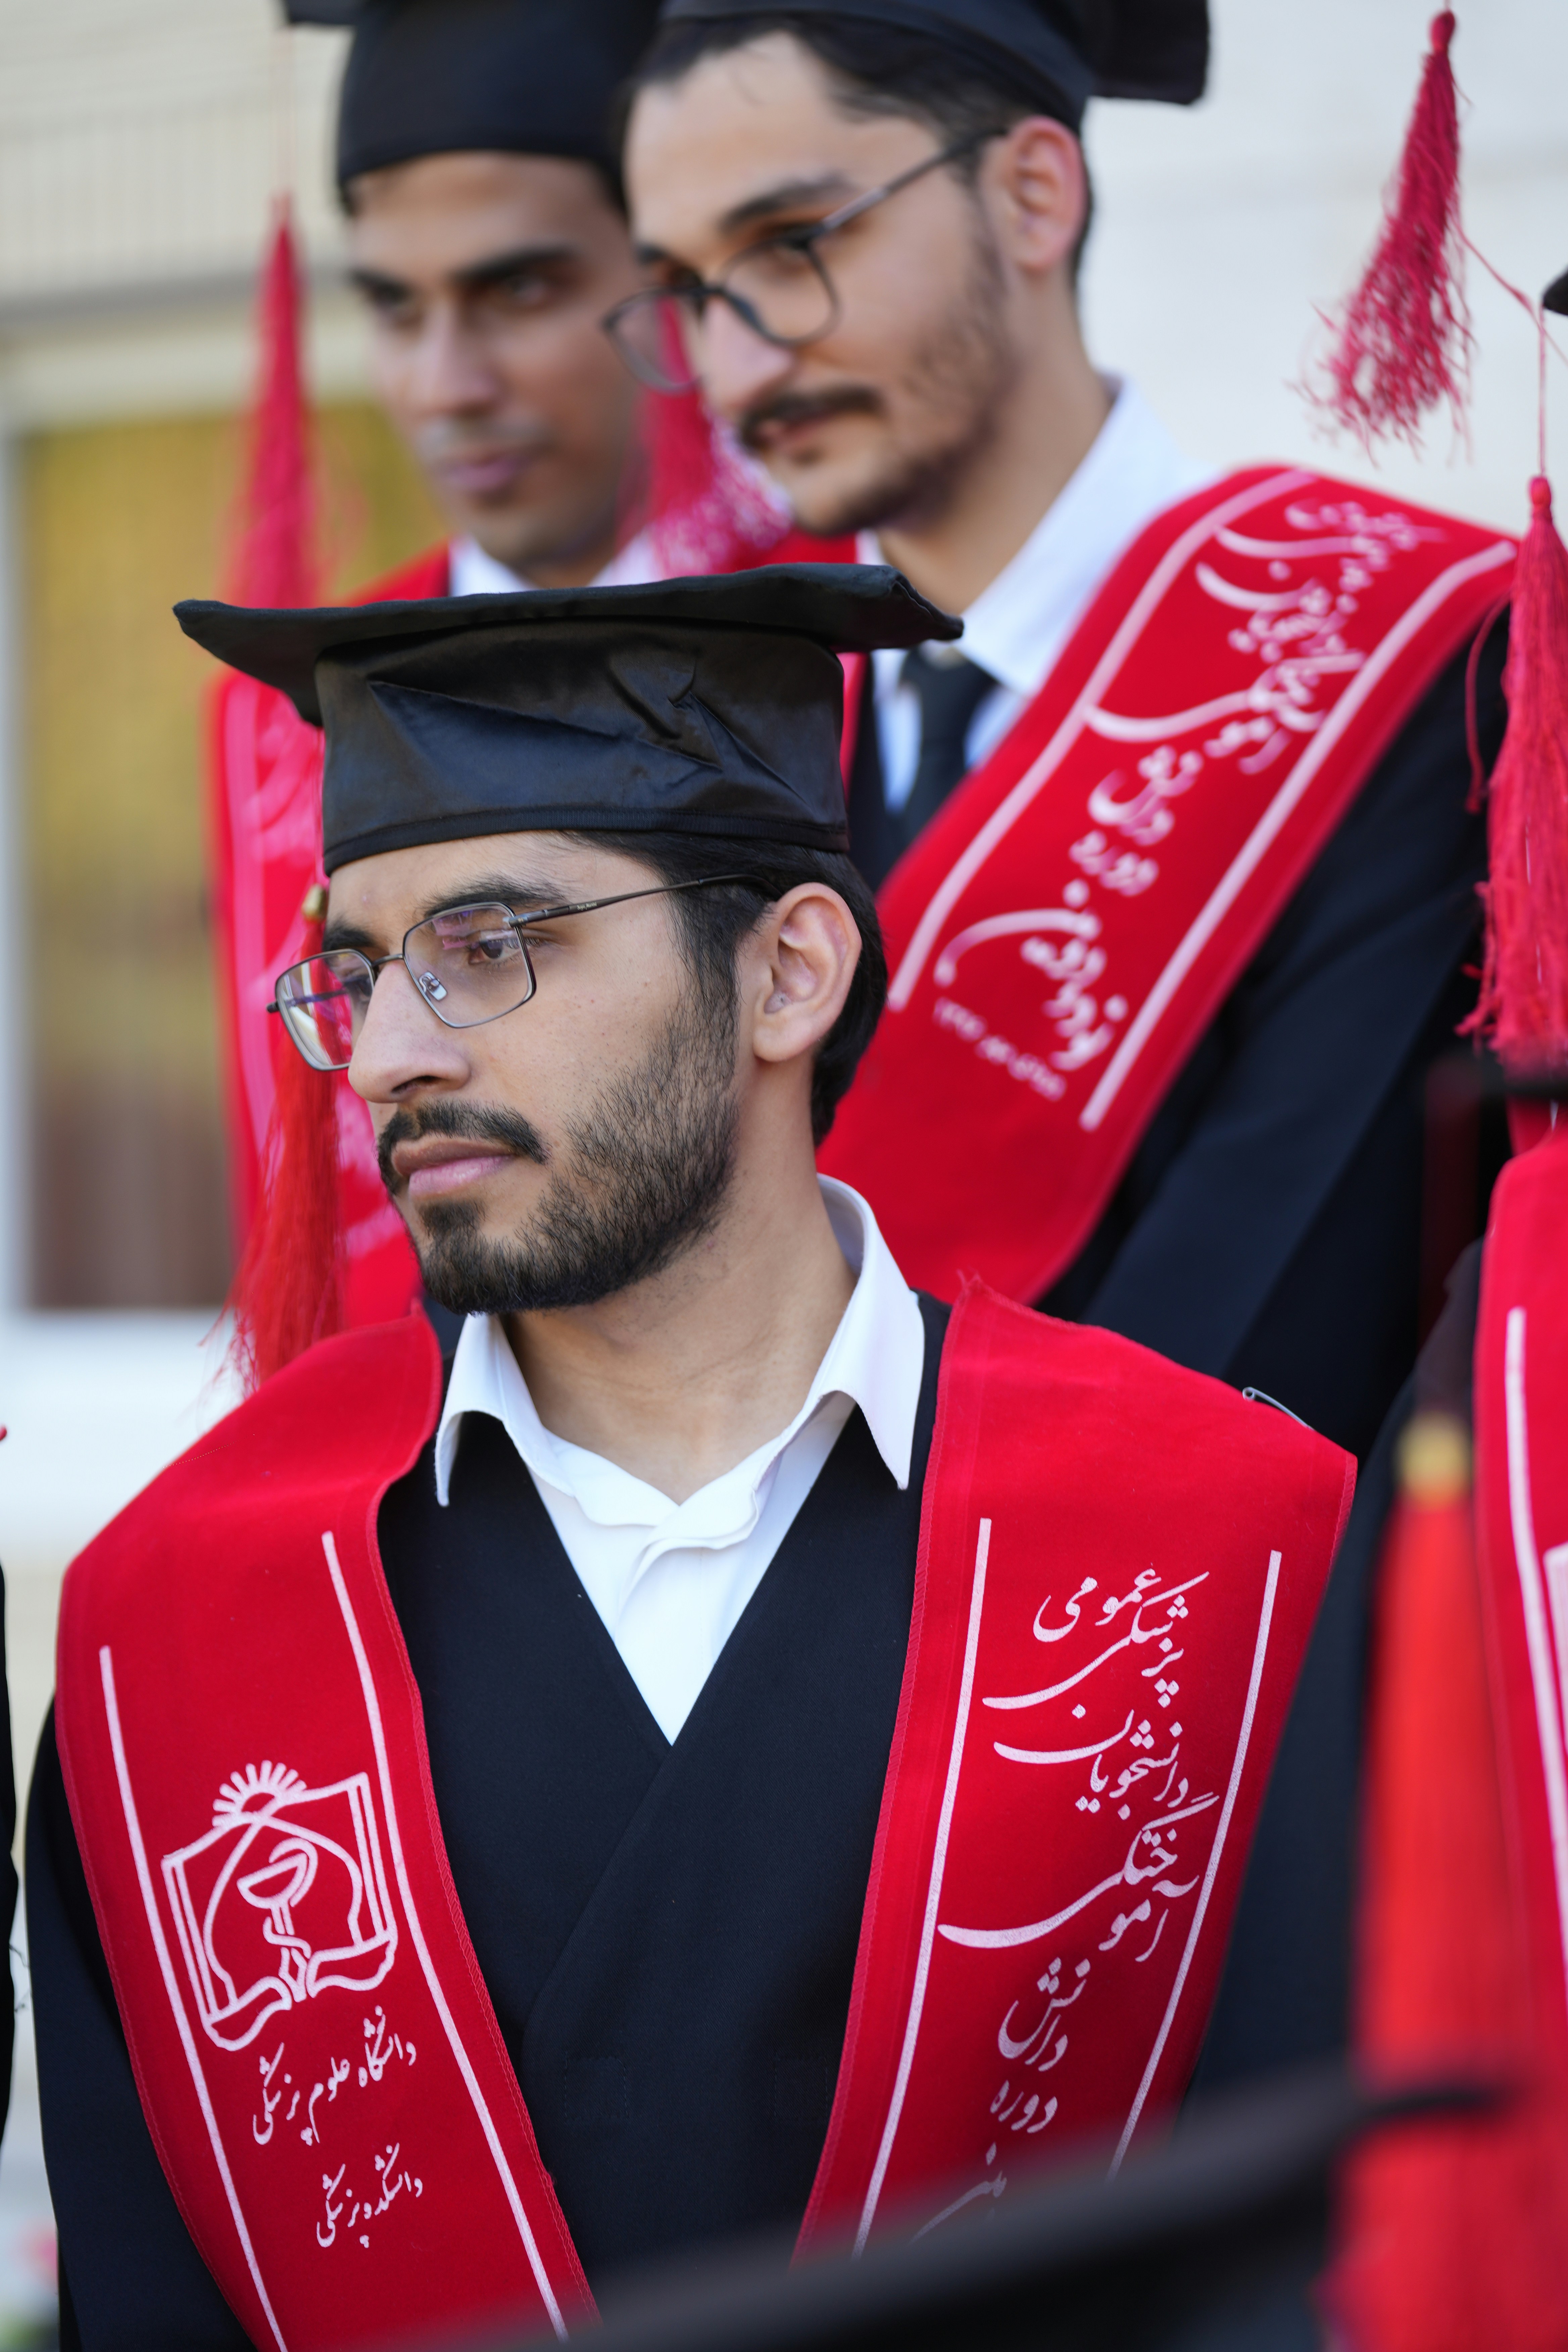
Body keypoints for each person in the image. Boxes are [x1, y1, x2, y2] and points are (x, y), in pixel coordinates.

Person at [29, 566, 1352, 2348]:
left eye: (489, 946)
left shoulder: (1222, 1546)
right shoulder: (185, 1622)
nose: (389, 1059)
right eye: (354, 976)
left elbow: (1332, 2252)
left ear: (789, 972)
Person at [614, 0, 1512, 1475]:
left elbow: (1268, 1330)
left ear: (1033, 195)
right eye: (686, 292)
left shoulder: (1410, 672)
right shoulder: (699, 718)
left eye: (790, 246)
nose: (736, 367)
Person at [222, 0, 773, 1352]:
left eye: (519, 291)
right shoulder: (288, 704)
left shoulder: (838, 645)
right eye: (394, 307)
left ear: (667, 284)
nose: (445, 384)